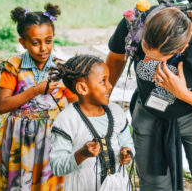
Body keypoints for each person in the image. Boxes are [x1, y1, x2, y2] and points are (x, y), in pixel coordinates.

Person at [106, 6, 192, 191]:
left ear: (182, 48)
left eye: (157, 58)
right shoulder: (135, 23)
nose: (147, 61)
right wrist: (101, 99)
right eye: (145, 53)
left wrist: (182, 93)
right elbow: (117, 58)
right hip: (151, 110)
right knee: (152, 185)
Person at [0, 3, 77, 191]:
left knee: (52, 184)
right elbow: (2, 106)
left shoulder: (62, 69)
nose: (43, 48)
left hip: (54, 141)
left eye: (48, 41)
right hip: (20, 142)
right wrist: (35, 90)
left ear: (53, 37)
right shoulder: (14, 67)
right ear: (23, 43)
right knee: (20, 184)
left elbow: (77, 103)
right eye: (36, 43)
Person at [48, 54, 135, 191]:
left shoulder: (116, 112)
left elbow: (127, 142)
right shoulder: (67, 120)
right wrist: (81, 154)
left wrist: (128, 152)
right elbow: (57, 166)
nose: (110, 85)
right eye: (103, 81)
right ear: (82, 88)